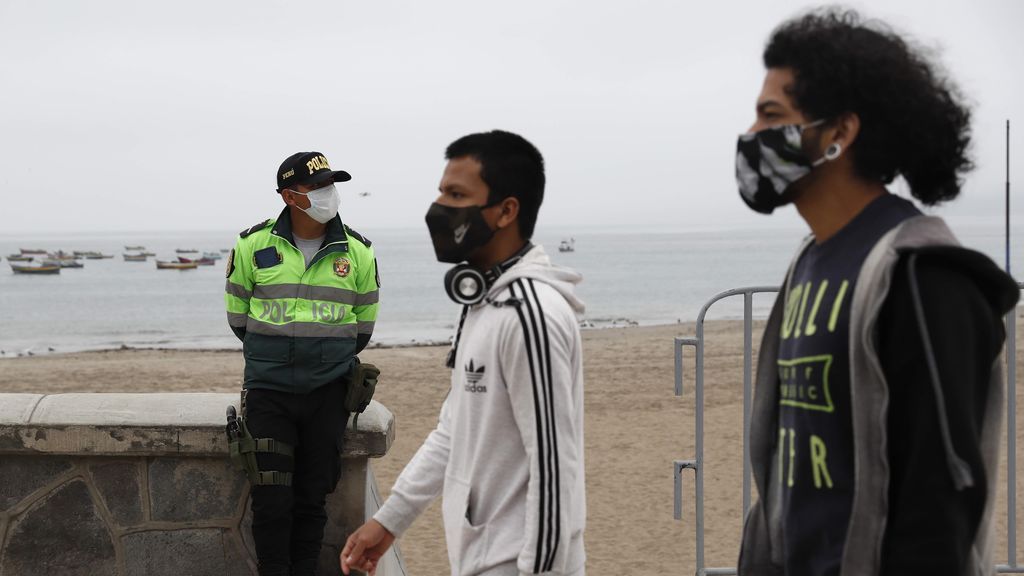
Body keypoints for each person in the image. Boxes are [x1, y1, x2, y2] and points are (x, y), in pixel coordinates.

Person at [735, 9, 1019, 576]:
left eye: (772, 115)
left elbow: (936, 512)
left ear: (839, 132)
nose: (751, 134)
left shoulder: (924, 279)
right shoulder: (808, 263)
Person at [341, 130, 587, 576]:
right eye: (441, 192)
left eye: (456, 194)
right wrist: (389, 520)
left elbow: (555, 469)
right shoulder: (484, 304)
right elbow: (455, 429)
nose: (439, 208)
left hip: (518, 563)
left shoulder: (528, 317)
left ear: (506, 210)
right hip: (480, 555)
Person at [224, 151, 380, 576]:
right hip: (269, 393)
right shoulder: (252, 245)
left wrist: (321, 357)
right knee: (271, 498)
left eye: (331, 184)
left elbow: (363, 326)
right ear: (289, 196)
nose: (329, 194)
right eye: (318, 187)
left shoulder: (359, 252)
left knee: (313, 496)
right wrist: (279, 355)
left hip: (328, 392)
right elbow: (238, 318)